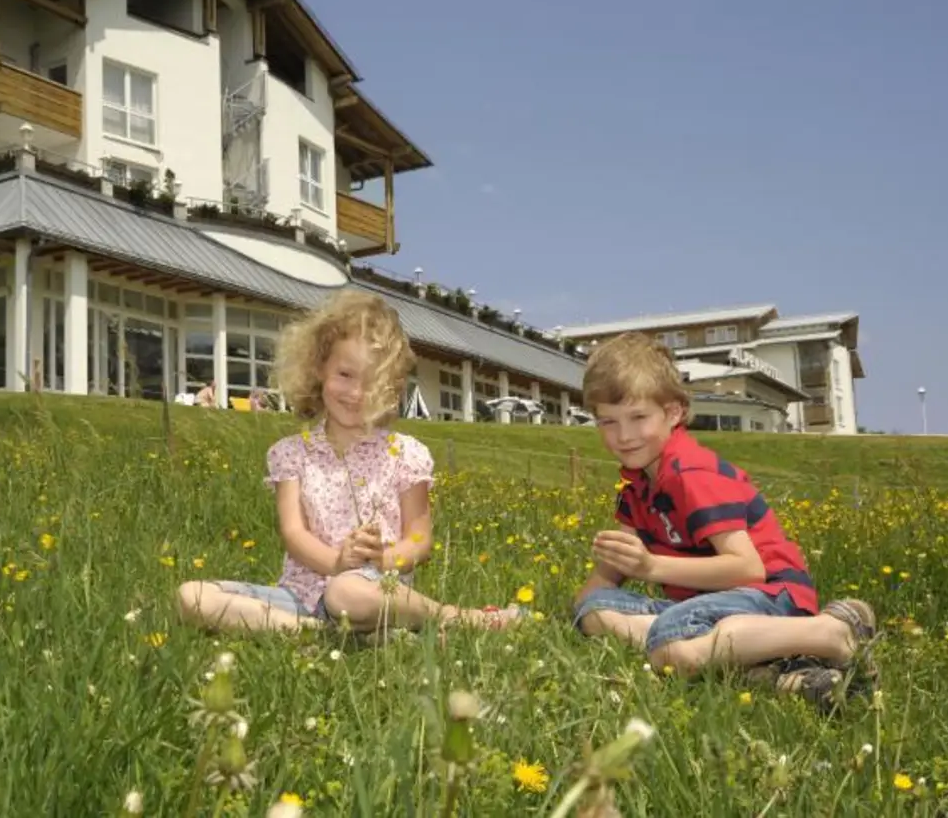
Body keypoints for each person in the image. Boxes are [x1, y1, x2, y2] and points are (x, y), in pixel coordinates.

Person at [177, 290, 524, 635]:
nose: (356, 393)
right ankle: (308, 631)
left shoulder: (405, 454)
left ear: (392, 387)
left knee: (345, 592)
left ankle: (453, 617)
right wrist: (335, 562)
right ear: (319, 367)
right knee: (192, 596)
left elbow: (419, 542)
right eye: (345, 374)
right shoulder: (291, 454)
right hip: (298, 598)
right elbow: (293, 533)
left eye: (373, 381)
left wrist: (381, 559)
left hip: (371, 591)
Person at [570, 331, 878, 711]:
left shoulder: (692, 473)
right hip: (707, 609)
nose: (624, 435)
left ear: (673, 413)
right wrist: (555, 615)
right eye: (608, 422)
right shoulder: (634, 486)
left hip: (772, 597)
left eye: (638, 417)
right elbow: (604, 581)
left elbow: (747, 570)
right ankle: (777, 675)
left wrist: (650, 566)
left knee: (670, 649)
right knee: (595, 610)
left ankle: (831, 633)